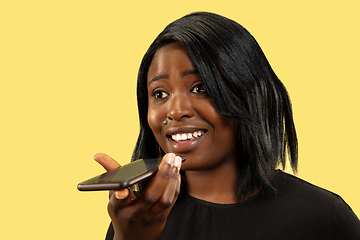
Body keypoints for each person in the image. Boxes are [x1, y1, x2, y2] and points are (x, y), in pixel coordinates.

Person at [94, 12, 360, 240]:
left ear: (249, 93)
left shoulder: (322, 219)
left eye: (201, 88)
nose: (175, 111)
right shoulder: (137, 219)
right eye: (160, 94)